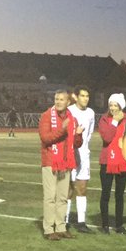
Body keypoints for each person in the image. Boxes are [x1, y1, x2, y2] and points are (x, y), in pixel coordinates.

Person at [38, 89, 81, 241]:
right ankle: (49, 229)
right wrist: (62, 129)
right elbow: (46, 138)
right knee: (50, 197)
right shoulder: (46, 116)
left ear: (68, 102)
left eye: (62, 99)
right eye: (56, 99)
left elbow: (76, 144)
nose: (58, 102)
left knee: (63, 198)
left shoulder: (72, 118)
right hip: (50, 161)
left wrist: (78, 135)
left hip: (66, 162)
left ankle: (61, 227)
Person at [97, 93, 126, 234]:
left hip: (123, 161)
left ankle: (119, 225)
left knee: (119, 195)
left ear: (120, 106)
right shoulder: (104, 120)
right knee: (105, 194)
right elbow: (107, 137)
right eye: (110, 105)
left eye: (115, 105)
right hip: (107, 162)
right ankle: (105, 225)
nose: (112, 108)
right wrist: (115, 122)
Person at [66, 85, 96, 233]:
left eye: (87, 96)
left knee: (82, 188)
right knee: (68, 188)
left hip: (84, 155)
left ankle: (81, 222)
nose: (85, 99)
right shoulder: (69, 111)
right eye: (83, 96)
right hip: (70, 154)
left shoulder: (91, 113)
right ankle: (64, 221)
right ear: (76, 97)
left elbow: (89, 134)